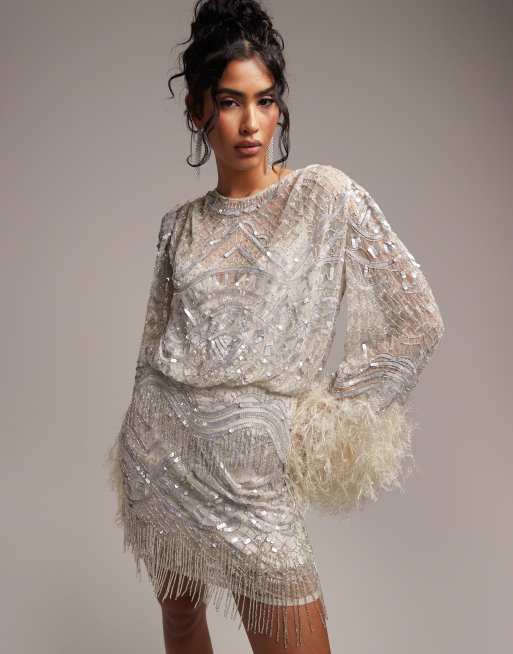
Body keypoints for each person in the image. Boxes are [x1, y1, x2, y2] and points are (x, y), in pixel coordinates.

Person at [105, 1, 445, 652]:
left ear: (279, 107)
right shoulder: (179, 227)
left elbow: (417, 321)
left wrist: (322, 418)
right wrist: (137, 446)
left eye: (264, 100)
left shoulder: (322, 196)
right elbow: (152, 353)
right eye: (229, 102)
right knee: (180, 622)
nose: (250, 122)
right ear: (197, 110)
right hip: (162, 461)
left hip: (255, 485)